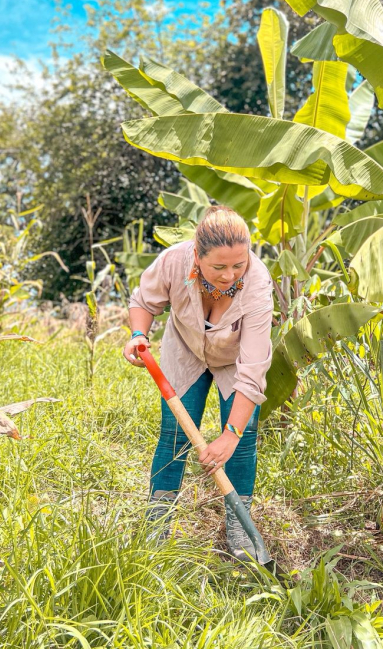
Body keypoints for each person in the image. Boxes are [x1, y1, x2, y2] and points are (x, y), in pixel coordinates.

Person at [123, 206, 273, 561]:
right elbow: (144, 301)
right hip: (186, 350)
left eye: (238, 265)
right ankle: (157, 523)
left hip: (234, 361)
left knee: (244, 436)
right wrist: (138, 334)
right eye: (219, 267)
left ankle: (239, 526)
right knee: (173, 434)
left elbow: (252, 371)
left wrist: (230, 435)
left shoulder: (257, 285)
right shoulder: (175, 261)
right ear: (197, 254)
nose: (230, 275)